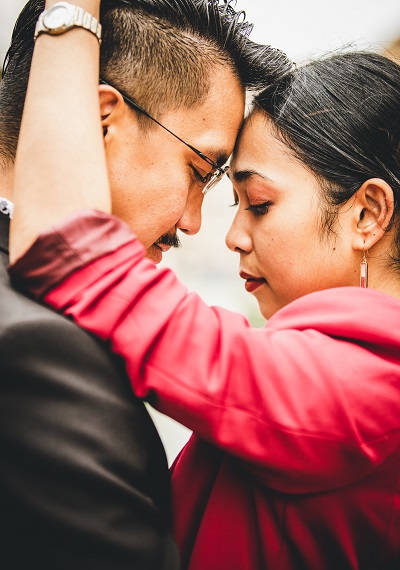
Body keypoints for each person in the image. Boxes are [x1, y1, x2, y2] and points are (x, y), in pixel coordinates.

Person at [9, 3, 400, 567]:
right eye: (232, 203)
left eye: (260, 205)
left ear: (367, 214)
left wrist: (72, 13)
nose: (229, 236)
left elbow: (68, 249)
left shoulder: (366, 389)